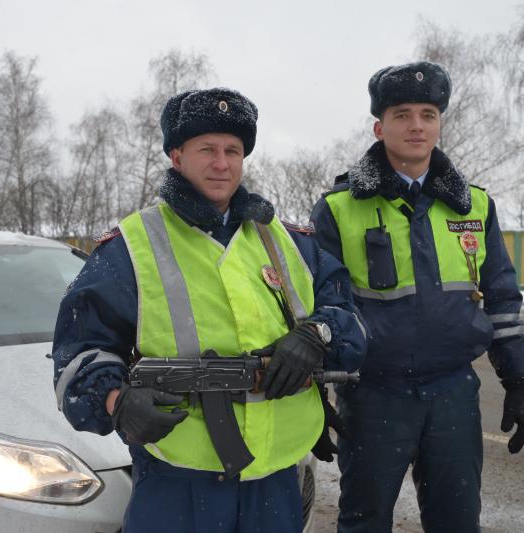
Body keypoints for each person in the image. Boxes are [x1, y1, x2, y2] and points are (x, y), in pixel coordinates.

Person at [52, 87, 367, 533]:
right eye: (207, 150)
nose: (222, 163)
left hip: (275, 474)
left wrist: (317, 336)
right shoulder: (131, 246)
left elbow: (349, 316)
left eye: (232, 151)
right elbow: (78, 351)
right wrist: (117, 401)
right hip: (177, 477)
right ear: (177, 156)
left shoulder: (287, 241)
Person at [310, 62, 524, 533]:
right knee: (364, 522)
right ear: (380, 126)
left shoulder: (475, 206)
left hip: (452, 393)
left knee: (457, 521)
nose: (416, 125)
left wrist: (520, 382)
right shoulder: (338, 208)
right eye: (402, 114)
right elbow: (322, 311)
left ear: (439, 123)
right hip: (373, 397)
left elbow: (500, 299)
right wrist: (315, 399)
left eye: (428, 114)